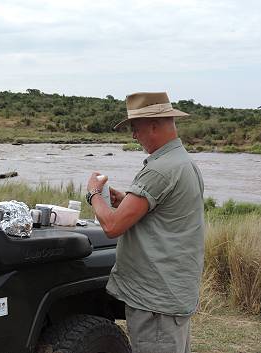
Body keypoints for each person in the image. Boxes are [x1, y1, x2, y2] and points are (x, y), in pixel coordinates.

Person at [86, 92, 205, 353]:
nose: (133, 136)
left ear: (153, 125)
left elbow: (112, 227)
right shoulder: (183, 162)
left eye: (135, 128)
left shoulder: (159, 169)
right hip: (172, 293)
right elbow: (162, 214)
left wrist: (94, 194)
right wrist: (124, 201)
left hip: (155, 301)